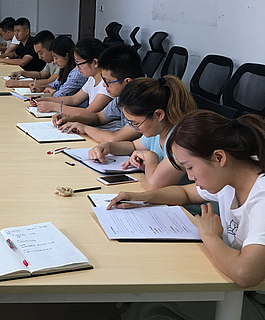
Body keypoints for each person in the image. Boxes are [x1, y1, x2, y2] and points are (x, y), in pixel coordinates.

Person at [108, 110, 265, 319]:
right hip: (234, 286)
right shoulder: (233, 174)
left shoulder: (261, 196)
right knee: (153, 303)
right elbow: (185, 193)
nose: (190, 176)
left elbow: (246, 274)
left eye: (190, 167)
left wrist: (209, 236)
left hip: (253, 299)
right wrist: (142, 197)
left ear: (219, 157)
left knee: (155, 297)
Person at [89, 75, 197, 190]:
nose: (134, 128)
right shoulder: (159, 130)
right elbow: (133, 146)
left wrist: (150, 157)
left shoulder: (181, 141)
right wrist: (107, 146)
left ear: (158, 115)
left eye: (136, 123)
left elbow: (155, 184)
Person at [54, 44, 145, 142]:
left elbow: (115, 138)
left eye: (107, 81)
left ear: (127, 81)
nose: (104, 85)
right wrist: (70, 118)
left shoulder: (143, 101)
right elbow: (99, 117)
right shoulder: (123, 96)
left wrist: (84, 128)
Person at [32, 37, 111, 115]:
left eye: (79, 63)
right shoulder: (92, 79)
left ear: (95, 62)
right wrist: (43, 99)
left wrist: (54, 106)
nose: (77, 67)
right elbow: (73, 99)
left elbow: (88, 112)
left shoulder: (106, 84)